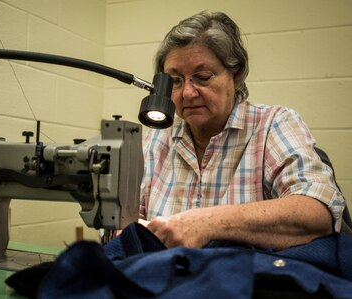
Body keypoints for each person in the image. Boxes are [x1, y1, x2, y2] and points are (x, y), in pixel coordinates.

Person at [138, 11, 346, 250]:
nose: (187, 93)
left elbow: (318, 212)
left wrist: (208, 223)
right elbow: (125, 222)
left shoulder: (273, 125)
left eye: (202, 77)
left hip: (249, 282)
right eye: (175, 81)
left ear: (235, 76)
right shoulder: (156, 139)